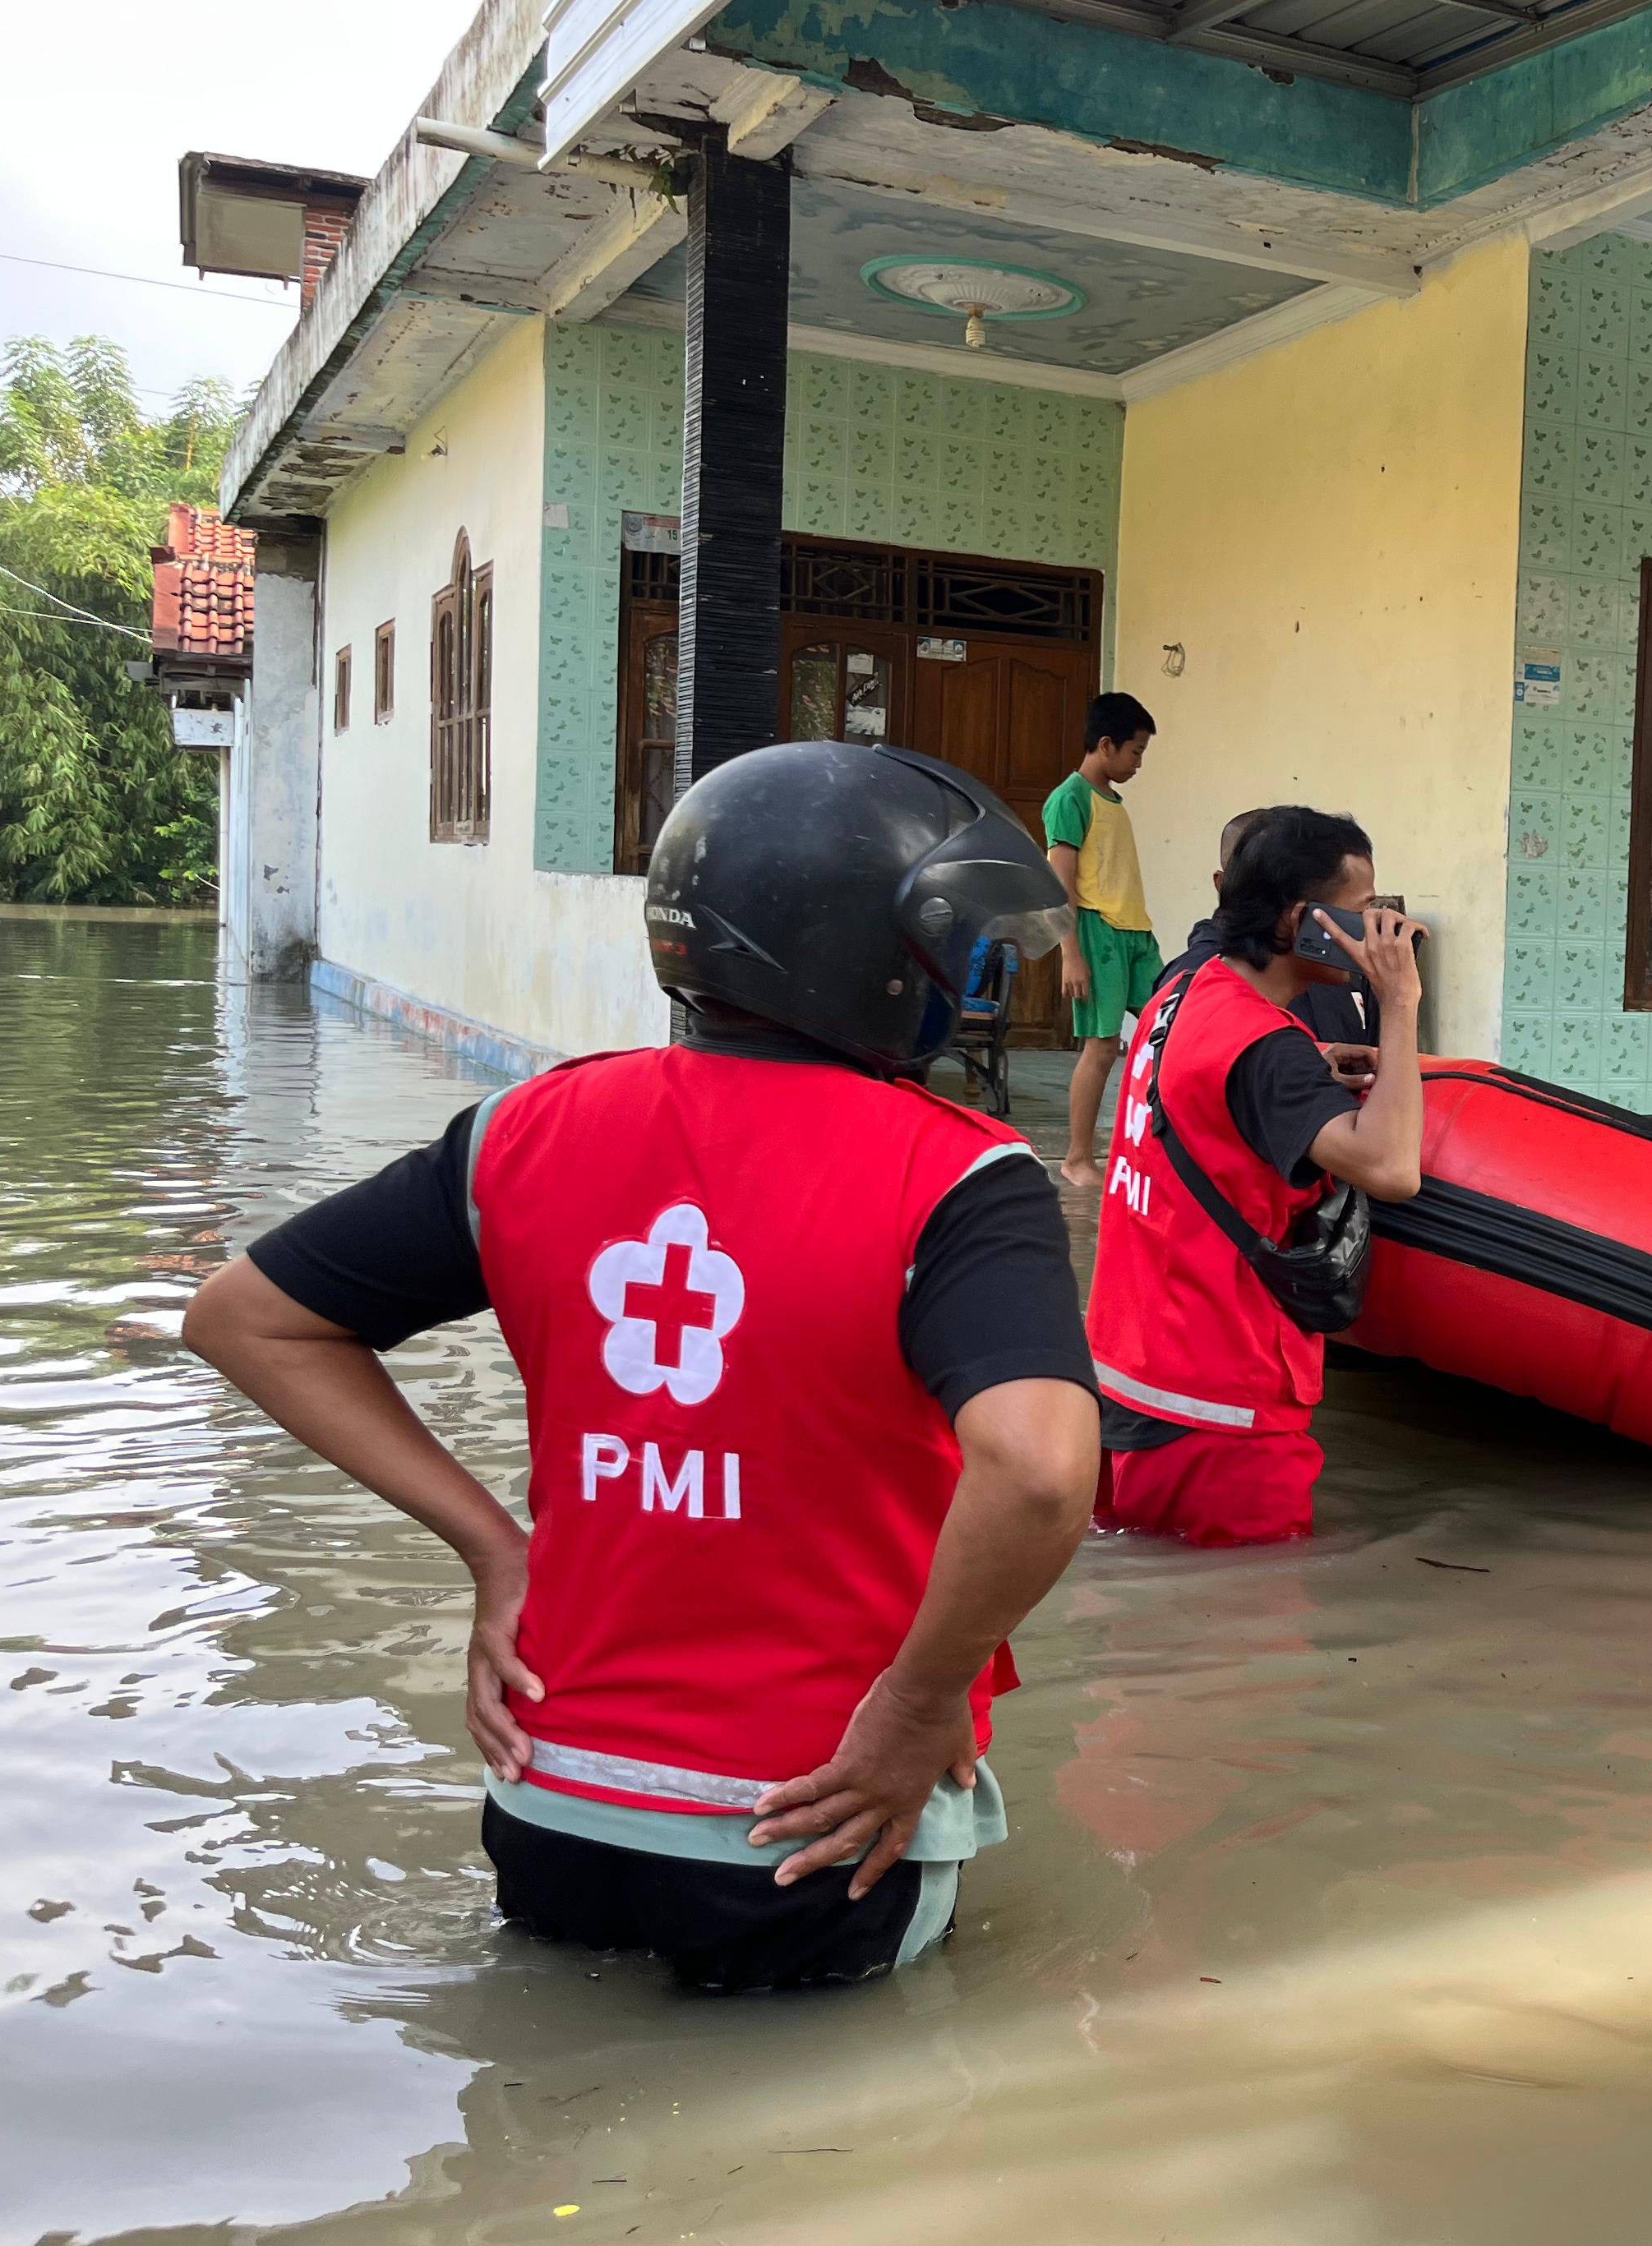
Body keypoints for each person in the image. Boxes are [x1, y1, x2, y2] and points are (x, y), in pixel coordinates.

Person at [182, 743, 1103, 1994]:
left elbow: (246, 1320)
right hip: (818, 1821)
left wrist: (496, 1549)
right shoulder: (962, 1176)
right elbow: (1043, 1473)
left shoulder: (524, 1129)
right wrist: (915, 1700)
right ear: (877, 955)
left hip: (551, 1804)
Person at [1086, 805, 1427, 1547]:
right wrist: (1399, 1007)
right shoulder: (1266, 1049)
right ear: (1299, 921)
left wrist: (1310, 1068)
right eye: (1363, 910)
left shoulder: (1186, 991)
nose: (1376, 931)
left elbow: (1208, 1102)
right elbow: (1393, 1168)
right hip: (1220, 1405)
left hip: (1130, 1377)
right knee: (1249, 1633)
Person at [1043, 693, 1161, 1188]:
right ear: (1106, 745)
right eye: (1135, 752)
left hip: (1137, 933)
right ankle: (1076, 1158)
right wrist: (1071, 954)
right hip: (1097, 935)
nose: (1138, 763)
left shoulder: (1113, 801)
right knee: (1103, 1045)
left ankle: (1158, 1146)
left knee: (1171, 1025)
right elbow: (1058, 886)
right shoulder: (1069, 799)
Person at [1170, 806, 1373, 1049]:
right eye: (1359, 912)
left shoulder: (1327, 968)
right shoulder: (1200, 987)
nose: (1365, 926)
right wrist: (1400, 1001)